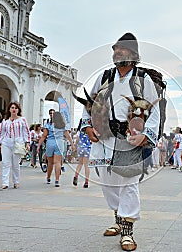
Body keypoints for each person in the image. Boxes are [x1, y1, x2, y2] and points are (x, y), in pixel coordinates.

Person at [80, 33, 160, 251]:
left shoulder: (143, 80)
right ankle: (118, 218)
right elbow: (90, 103)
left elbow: (154, 111)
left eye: (122, 50)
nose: (117, 53)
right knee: (108, 182)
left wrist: (147, 135)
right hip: (104, 137)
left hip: (130, 139)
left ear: (133, 55)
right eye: (115, 50)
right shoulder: (105, 76)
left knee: (128, 182)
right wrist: (87, 126)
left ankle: (127, 231)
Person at [0, 102, 30, 190]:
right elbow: (1, 133)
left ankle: (16, 181)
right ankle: (5, 183)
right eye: (12, 108)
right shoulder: (5, 121)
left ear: (18, 110)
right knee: (5, 163)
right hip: (6, 143)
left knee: (15, 164)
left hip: (18, 143)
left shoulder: (22, 120)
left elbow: (26, 132)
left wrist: (27, 143)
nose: (14, 109)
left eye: (15, 108)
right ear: (9, 110)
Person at [37, 112, 71, 187]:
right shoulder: (63, 126)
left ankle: (48, 178)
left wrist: (39, 145)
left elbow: (44, 136)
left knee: (50, 162)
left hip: (50, 143)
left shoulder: (48, 125)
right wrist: (72, 144)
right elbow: (68, 135)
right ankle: (57, 180)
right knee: (58, 162)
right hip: (59, 143)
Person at [73, 119, 91, 188]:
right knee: (86, 165)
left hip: (80, 147)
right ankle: (86, 182)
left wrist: (75, 146)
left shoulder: (79, 131)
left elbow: (77, 139)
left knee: (80, 163)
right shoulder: (89, 129)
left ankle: (76, 175)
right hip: (87, 147)